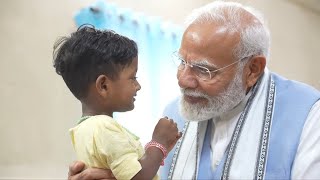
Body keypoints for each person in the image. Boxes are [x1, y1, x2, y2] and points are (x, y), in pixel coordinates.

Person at [68, 1, 320, 179]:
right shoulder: (174, 113)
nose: (183, 80)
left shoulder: (307, 115)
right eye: (182, 62)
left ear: (252, 69)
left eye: (204, 70)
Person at [53, 25, 181, 180]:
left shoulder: (82, 129)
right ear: (104, 86)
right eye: (133, 78)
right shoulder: (104, 127)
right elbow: (138, 177)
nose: (138, 86)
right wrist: (158, 142)